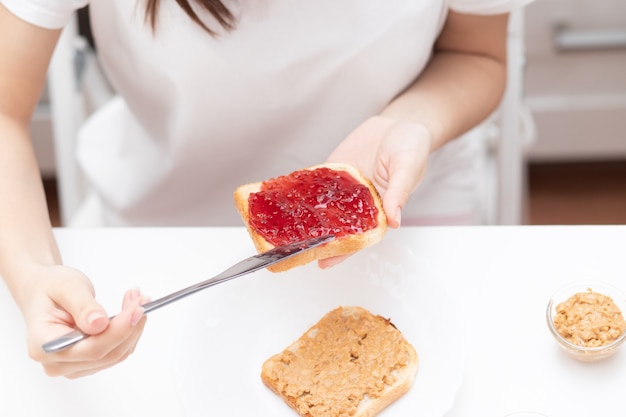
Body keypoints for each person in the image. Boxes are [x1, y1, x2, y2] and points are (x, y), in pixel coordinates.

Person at [0, 0, 533, 378]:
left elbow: (477, 54)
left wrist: (410, 122)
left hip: (405, 201)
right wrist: (33, 271)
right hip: (162, 224)